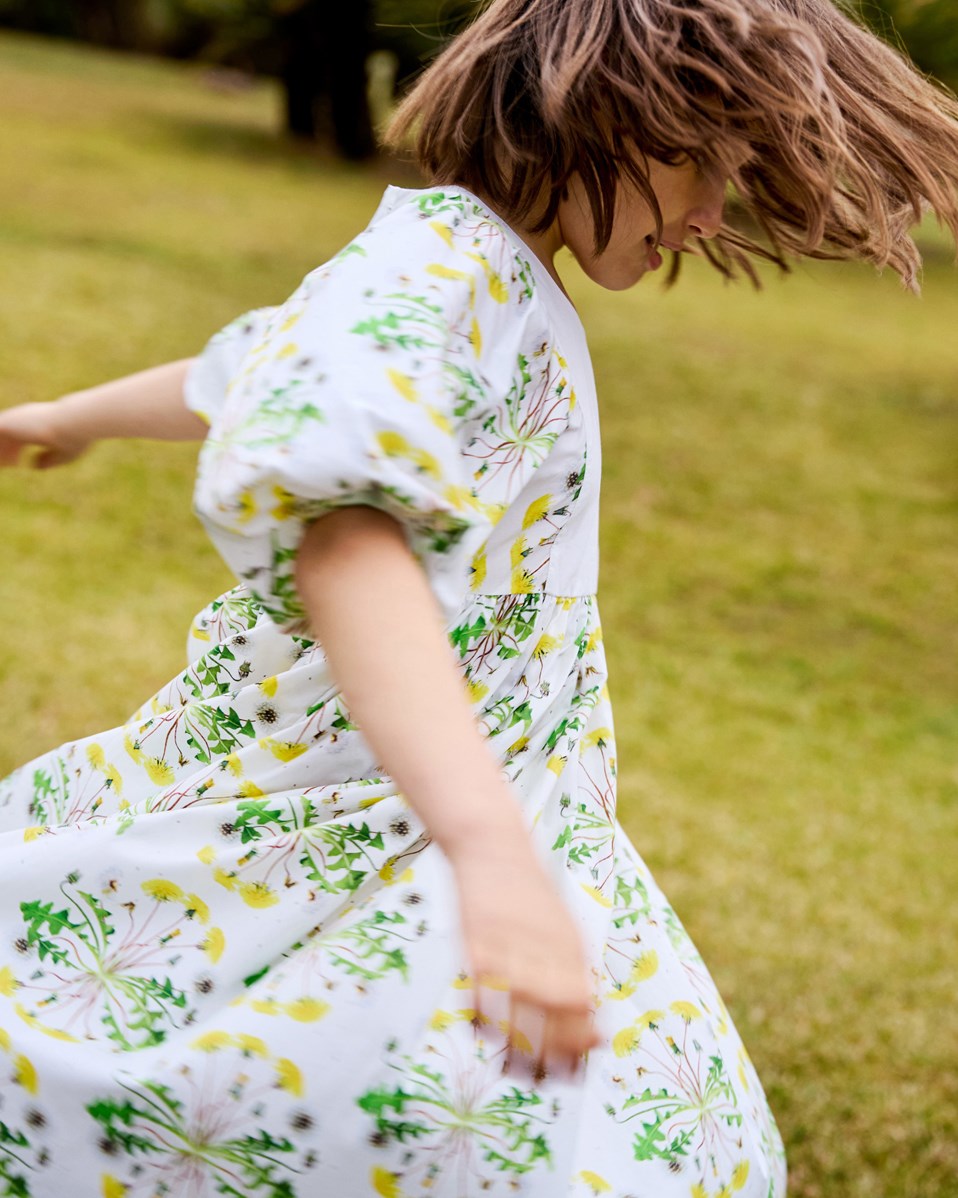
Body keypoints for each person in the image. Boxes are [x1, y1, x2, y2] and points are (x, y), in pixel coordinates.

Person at [0, 0, 955, 1194]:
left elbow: (255, 365)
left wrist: (61, 418)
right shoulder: (446, 267)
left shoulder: (484, 271)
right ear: (607, 105)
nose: (714, 212)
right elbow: (349, 539)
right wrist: (489, 852)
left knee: (666, 1132)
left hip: (492, 806)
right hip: (354, 817)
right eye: (705, 163)